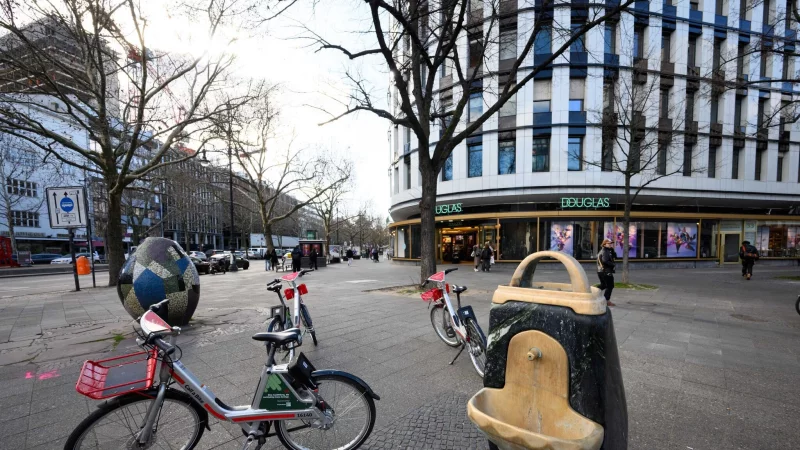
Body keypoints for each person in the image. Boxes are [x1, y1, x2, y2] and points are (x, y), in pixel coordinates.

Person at [597, 239, 616, 306]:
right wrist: (613, 264)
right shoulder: (605, 251)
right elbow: (605, 261)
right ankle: (606, 300)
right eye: (609, 243)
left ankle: (592, 291)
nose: (610, 244)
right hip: (605, 271)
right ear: (604, 244)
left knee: (604, 285)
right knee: (610, 286)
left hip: (601, 271)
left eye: (611, 243)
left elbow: (614, 257)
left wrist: (613, 251)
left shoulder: (606, 250)